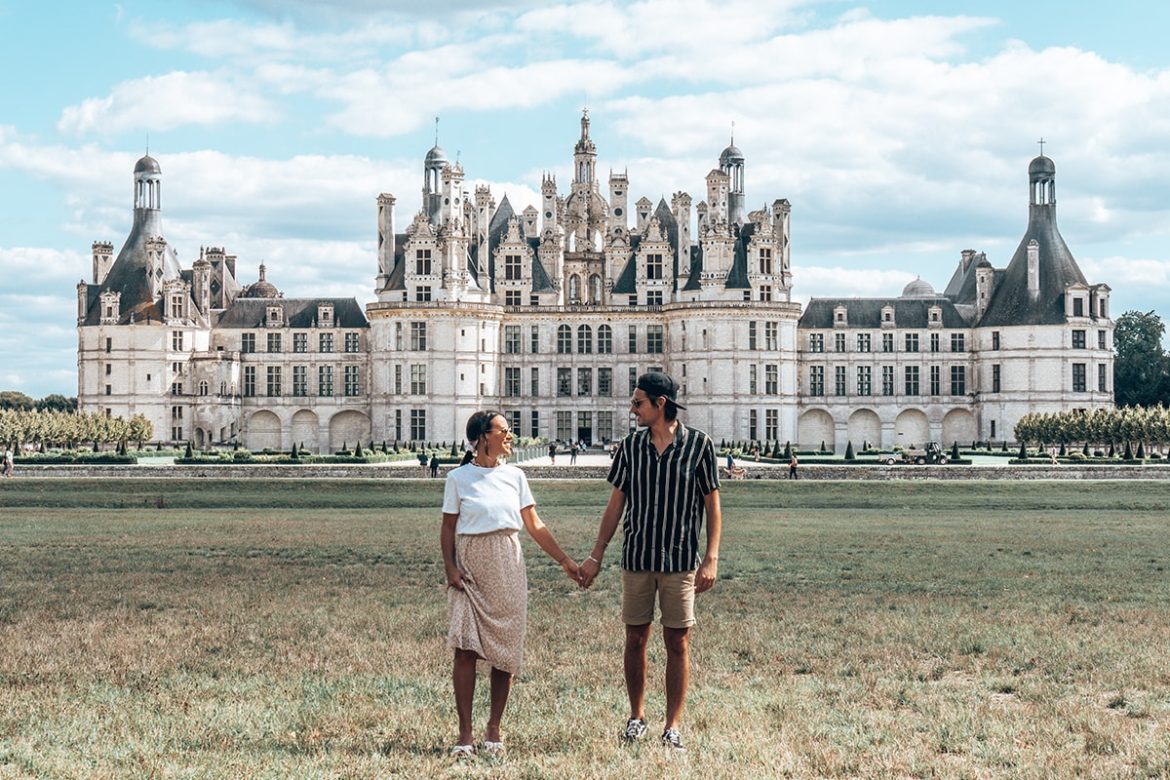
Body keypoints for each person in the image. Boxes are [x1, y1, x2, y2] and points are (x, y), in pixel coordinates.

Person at [578, 371, 722, 752]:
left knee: (678, 641)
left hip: (679, 558)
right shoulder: (630, 447)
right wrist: (597, 554)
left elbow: (712, 505)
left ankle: (673, 725)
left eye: (638, 402)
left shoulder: (699, 446)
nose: (632, 408)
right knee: (635, 637)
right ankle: (636, 716)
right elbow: (615, 505)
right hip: (638, 555)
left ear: (661, 404)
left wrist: (710, 558)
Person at [441, 410, 580, 759]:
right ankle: (465, 734)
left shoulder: (515, 476)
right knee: (465, 648)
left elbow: (533, 525)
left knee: (505, 650)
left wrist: (564, 560)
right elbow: (447, 528)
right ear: (483, 436)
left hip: (507, 564)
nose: (510, 436)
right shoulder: (459, 478)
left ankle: (494, 730)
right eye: (504, 430)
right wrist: (450, 567)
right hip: (472, 565)